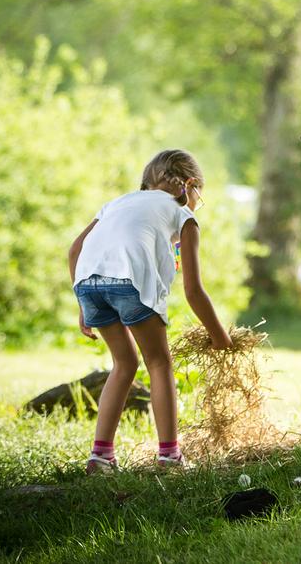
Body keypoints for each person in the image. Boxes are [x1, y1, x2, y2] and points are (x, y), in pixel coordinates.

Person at [68, 149, 232, 474]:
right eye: (200, 193)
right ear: (191, 185)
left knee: (124, 363)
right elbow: (193, 290)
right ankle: (170, 457)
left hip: (87, 283)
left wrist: (82, 306)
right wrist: (219, 336)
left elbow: (75, 249)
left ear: (147, 185)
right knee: (159, 363)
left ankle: (100, 457)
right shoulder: (183, 215)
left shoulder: (116, 204)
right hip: (129, 283)